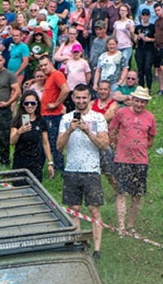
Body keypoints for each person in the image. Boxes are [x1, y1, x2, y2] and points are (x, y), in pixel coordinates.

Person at [58, 84, 110, 257]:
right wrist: (69, 130)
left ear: (89, 98)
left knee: (94, 209)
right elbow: (58, 146)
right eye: (78, 97)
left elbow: (104, 145)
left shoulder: (98, 118)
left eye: (84, 97)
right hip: (71, 168)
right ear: (73, 98)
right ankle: (78, 246)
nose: (81, 101)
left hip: (91, 169)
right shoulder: (65, 119)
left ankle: (97, 249)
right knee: (74, 208)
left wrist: (88, 132)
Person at [109, 86, 158, 235]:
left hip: (141, 160)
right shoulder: (121, 113)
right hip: (122, 158)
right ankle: (121, 225)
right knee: (121, 191)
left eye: (142, 102)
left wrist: (141, 148)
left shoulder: (150, 117)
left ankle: (131, 224)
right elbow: (112, 130)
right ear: (132, 100)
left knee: (137, 194)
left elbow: (151, 137)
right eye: (137, 101)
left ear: (146, 103)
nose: (139, 104)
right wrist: (116, 145)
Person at [11, 93, 54, 181]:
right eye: (26, 103)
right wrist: (19, 131)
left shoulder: (41, 121)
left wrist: (50, 162)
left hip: (36, 160)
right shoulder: (17, 120)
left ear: (37, 104)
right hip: (20, 159)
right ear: (23, 105)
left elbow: (45, 143)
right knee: (19, 188)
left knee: (36, 188)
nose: (30, 106)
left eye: (33, 103)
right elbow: (12, 141)